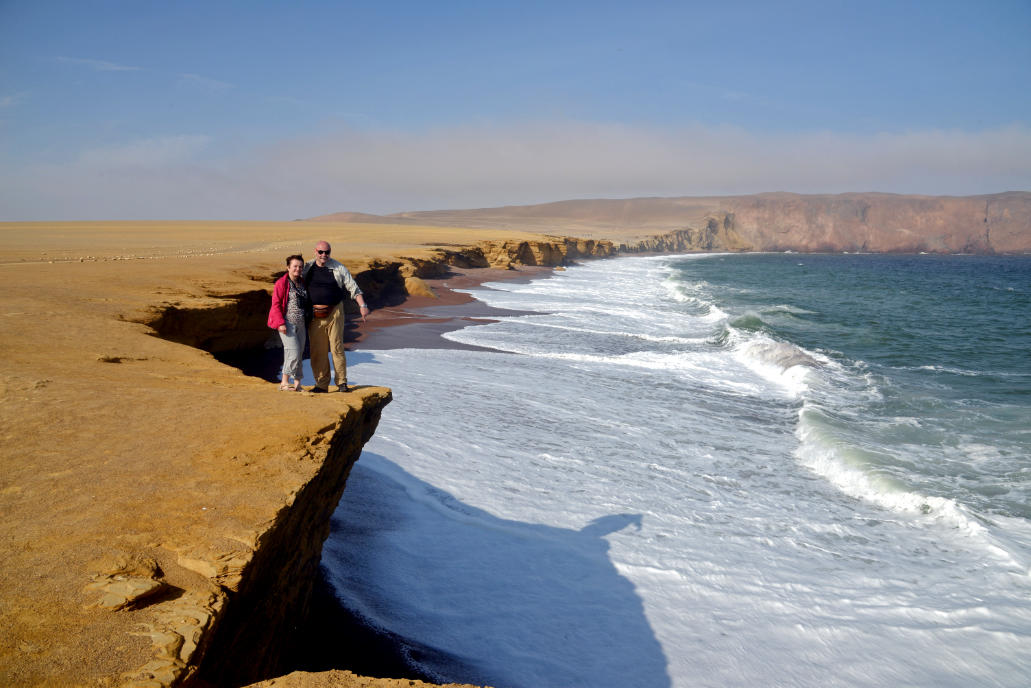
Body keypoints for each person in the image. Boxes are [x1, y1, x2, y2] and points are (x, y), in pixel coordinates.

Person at [303, 240, 368, 393]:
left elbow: (353, 286)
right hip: (314, 315)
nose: (324, 255)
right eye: (321, 252)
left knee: (337, 348)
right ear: (315, 252)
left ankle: (342, 383)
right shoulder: (307, 267)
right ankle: (321, 384)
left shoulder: (338, 267)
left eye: (327, 252)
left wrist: (362, 305)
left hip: (335, 313)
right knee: (317, 350)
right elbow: (293, 280)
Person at [267, 254, 310, 391]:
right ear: (288, 267)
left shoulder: (302, 282)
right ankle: (284, 383)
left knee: (299, 352)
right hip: (287, 324)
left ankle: (297, 384)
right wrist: (280, 323)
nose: (298, 269)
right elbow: (276, 304)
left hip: (301, 324)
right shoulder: (282, 283)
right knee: (294, 352)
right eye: (295, 266)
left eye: (300, 267)